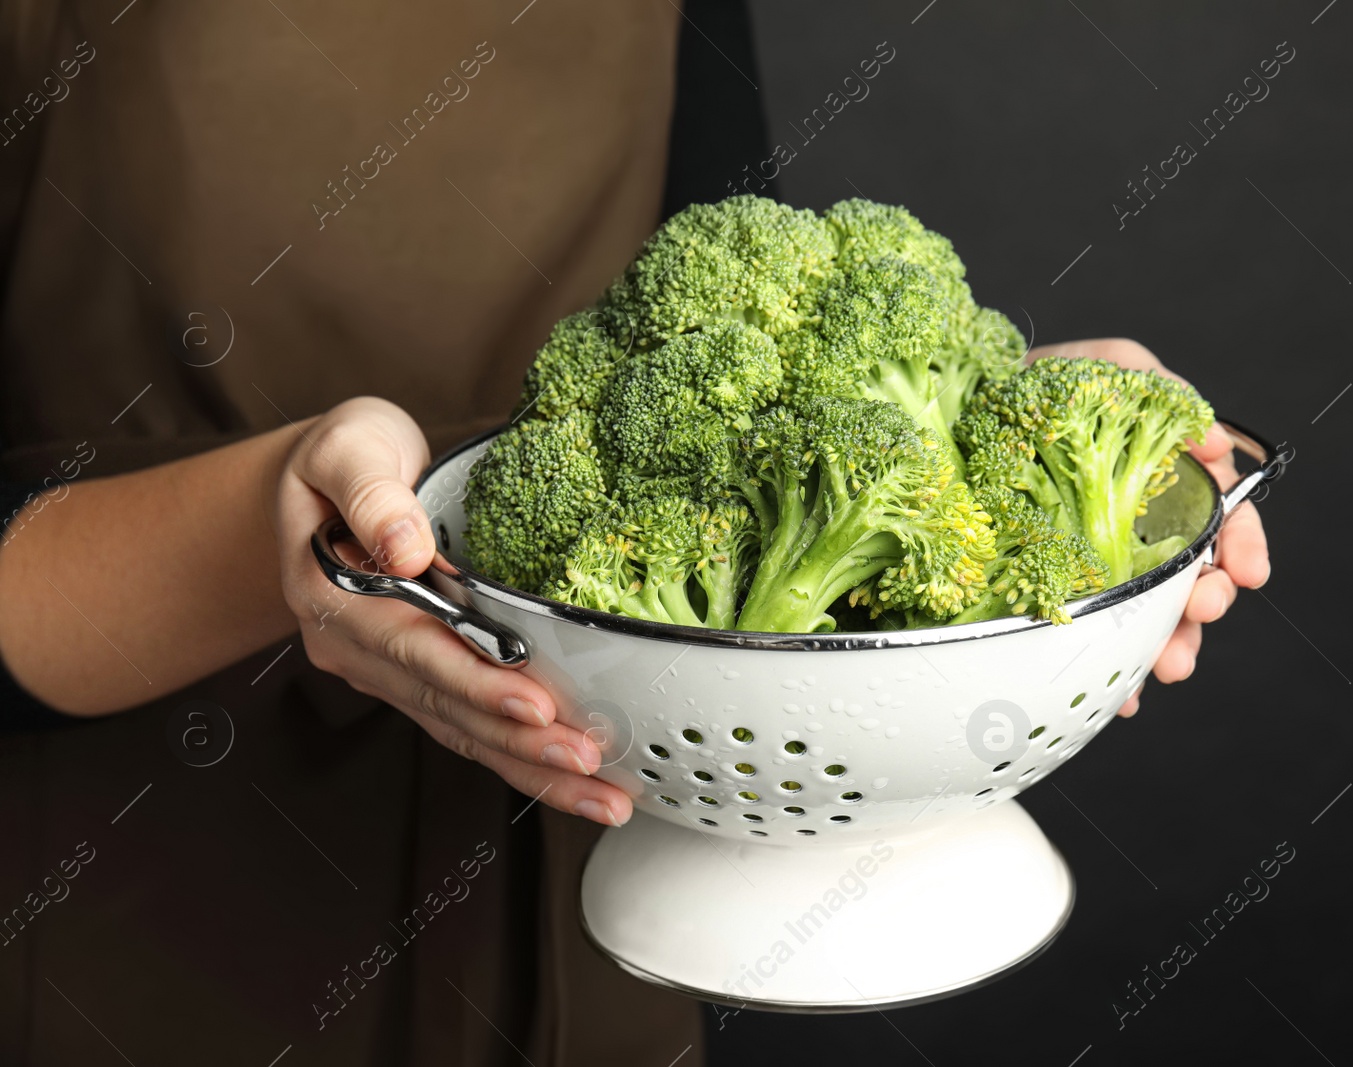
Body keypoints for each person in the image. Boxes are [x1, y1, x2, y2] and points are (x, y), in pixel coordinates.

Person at [0, 3, 1267, 1064]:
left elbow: (750, 330)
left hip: (610, 863)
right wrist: (274, 518)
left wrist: (1002, 441)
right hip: (154, 914)